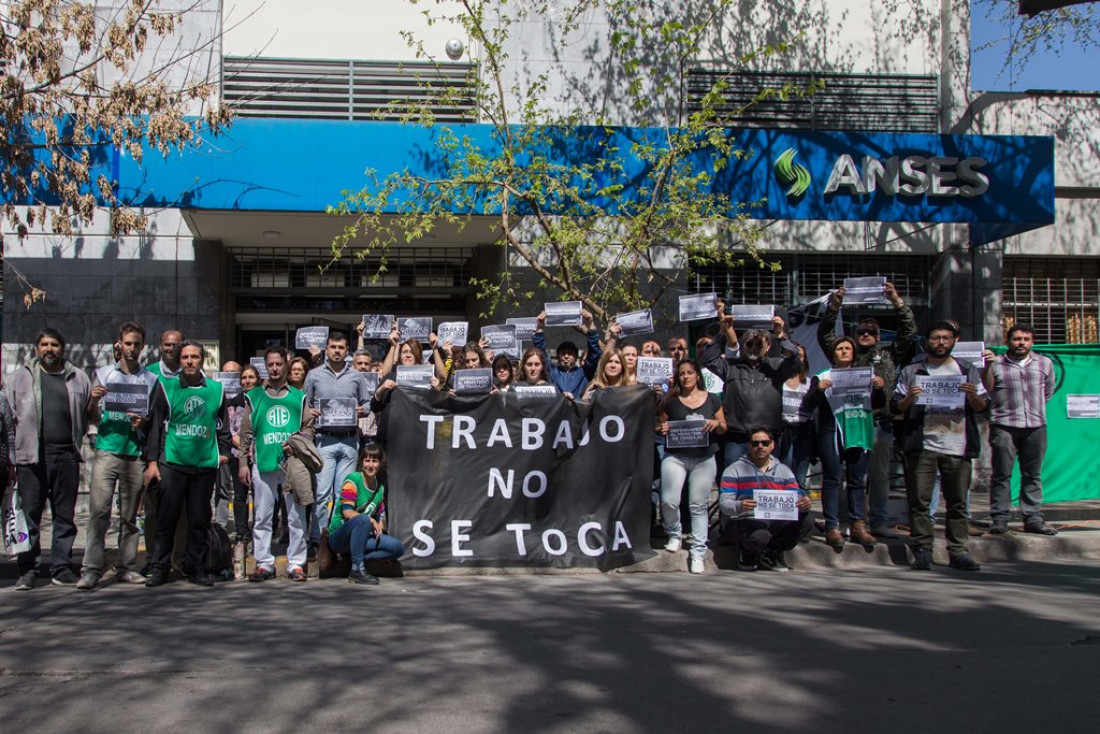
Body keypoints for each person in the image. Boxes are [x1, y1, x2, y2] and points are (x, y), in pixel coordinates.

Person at [818, 281, 917, 538]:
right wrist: (835, 305)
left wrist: (896, 301)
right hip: (845, 422)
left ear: (878, 335)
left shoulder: (888, 354)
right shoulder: (845, 354)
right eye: (862, 331)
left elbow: (908, 331)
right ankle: (842, 522)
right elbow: (825, 334)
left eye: (871, 332)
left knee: (878, 475)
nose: (866, 335)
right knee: (844, 475)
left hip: (878, 422)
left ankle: (878, 522)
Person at [892, 321, 989, 572]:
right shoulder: (913, 370)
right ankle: (922, 549)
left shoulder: (966, 369)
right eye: (936, 338)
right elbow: (895, 408)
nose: (941, 342)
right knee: (920, 501)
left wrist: (972, 396)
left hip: (957, 444)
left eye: (946, 338)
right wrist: (910, 399)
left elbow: (983, 407)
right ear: (928, 341)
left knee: (957, 502)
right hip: (923, 443)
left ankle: (958, 551)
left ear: (955, 340)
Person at [7, 328, 92, 589]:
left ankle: (62, 568)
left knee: (64, 516)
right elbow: (10, 420)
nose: (49, 349)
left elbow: (88, 413)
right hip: (31, 457)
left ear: (62, 348)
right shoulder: (20, 378)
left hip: (66, 454)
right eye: (44, 344)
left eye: (54, 344)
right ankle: (28, 570)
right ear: (37, 348)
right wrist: (12, 458)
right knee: (30, 515)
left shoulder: (78, 377)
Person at [78, 321, 159, 589]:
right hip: (106, 451)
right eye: (128, 343)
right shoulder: (103, 375)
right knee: (99, 511)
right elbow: (90, 415)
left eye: (137, 344)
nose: (132, 348)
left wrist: (141, 422)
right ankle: (91, 569)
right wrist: (93, 400)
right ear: (119, 344)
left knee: (130, 516)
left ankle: (126, 566)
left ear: (143, 347)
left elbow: (153, 420)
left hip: (133, 452)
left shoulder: (149, 379)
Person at [143, 342, 231, 587]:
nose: (190, 361)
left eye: (194, 357)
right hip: (173, 462)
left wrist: (224, 453)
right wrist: (152, 462)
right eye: (185, 357)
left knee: (199, 519)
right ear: (179, 360)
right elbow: (155, 427)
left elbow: (222, 426)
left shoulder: (216, 389)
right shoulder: (166, 386)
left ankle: (197, 567)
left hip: (204, 464)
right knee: (166, 518)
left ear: (202, 360)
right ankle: (160, 567)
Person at [239, 346, 314, 582]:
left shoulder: (298, 397)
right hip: (263, 462)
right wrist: (242, 462)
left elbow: (309, 429)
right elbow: (245, 432)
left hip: (292, 464)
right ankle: (263, 563)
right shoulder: (255, 396)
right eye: (270, 364)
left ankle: (296, 564)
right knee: (262, 516)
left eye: (278, 364)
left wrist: (298, 444)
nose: (274, 368)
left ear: (286, 364)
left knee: (296, 515)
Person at [701, 302, 802, 468]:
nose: (754, 348)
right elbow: (708, 358)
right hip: (737, 437)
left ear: (768, 347)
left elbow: (795, 362)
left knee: (767, 483)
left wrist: (781, 335)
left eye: (759, 344)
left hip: (767, 438)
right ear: (743, 346)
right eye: (749, 344)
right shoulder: (731, 366)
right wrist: (723, 331)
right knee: (734, 483)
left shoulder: (776, 366)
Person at [982, 325, 1058, 535]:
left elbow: (1048, 392)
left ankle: (1032, 517)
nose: (1021, 343)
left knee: (1032, 474)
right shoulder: (996, 363)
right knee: (1001, 474)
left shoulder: (1045, 363)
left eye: (1026, 339)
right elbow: (986, 389)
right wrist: (987, 367)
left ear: (1032, 342)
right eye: (1016, 339)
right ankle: (999, 518)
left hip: (1035, 426)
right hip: (1004, 426)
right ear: (1008, 342)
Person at [809, 336, 881, 549]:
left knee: (858, 480)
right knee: (832, 479)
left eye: (848, 348)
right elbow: (808, 405)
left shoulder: (867, 375)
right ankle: (832, 527)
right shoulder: (822, 376)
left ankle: (858, 525)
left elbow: (879, 404)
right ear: (833, 354)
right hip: (832, 431)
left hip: (858, 429)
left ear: (854, 353)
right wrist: (818, 390)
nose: (844, 351)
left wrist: (878, 388)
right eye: (839, 348)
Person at [656, 358, 727, 574]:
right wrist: (662, 429)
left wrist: (715, 424)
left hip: (704, 458)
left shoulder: (713, 399)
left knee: (698, 505)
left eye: (689, 372)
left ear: (698, 375)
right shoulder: (670, 400)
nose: (685, 377)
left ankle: (698, 552)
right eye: (682, 373)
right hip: (675, 456)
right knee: (668, 500)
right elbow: (659, 425)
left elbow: (724, 426)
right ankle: (674, 533)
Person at [304, 331, 372, 551]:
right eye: (333, 347)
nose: (336, 351)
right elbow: (302, 403)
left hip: (350, 441)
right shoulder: (314, 375)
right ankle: (318, 539)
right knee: (322, 494)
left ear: (347, 351)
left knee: (344, 495)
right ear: (327, 348)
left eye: (341, 348)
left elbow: (367, 402)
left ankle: (336, 536)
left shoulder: (356, 376)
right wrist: (310, 411)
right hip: (324, 441)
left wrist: (364, 409)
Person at [719, 426, 814, 572]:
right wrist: (739, 505)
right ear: (749, 446)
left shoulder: (784, 471)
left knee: (807, 518)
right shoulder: (734, 469)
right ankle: (747, 551)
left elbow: (794, 497)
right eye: (755, 443)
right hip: (742, 520)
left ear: (772, 445)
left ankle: (773, 551)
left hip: (774, 520)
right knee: (759, 536)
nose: (760, 447)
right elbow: (724, 503)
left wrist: (803, 502)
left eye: (765, 443)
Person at [326, 445, 405, 585]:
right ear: (361, 462)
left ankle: (358, 557)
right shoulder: (353, 480)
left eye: (375, 461)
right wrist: (369, 520)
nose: (370, 465)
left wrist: (380, 525)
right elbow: (347, 511)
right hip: (339, 536)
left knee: (397, 548)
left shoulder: (380, 488)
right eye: (367, 461)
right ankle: (357, 570)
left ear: (380, 464)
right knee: (362, 519)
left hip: (362, 537)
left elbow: (381, 517)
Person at [533, 309, 601, 397]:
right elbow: (540, 353)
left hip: (577, 409)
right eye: (563, 353)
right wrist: (540, 328)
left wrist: (591, 326)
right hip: (556, 409)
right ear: (558, 356)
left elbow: (594, 353)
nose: (566, 356)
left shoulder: (584, 372)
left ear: (576, 357)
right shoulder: (552, 372)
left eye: (570, 353)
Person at [229, 364, 259, 545]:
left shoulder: (263, 400)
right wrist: (245, 448)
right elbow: (230, 431)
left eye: (251, 377)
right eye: (244, 378)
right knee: (240, 495)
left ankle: (260, 528)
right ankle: (241, 530)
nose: (247, 381)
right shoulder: (233, 402)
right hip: (238, 453)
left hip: (259, 454)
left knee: (259, 494)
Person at [779, 344, 813, 491]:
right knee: (785, 473)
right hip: (784, 431)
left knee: (800, 475)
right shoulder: (778, 382)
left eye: (800, 355)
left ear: (804, 359)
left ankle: (800, 511)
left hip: (803, 433)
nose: (796, 358)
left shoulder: (811, 383)